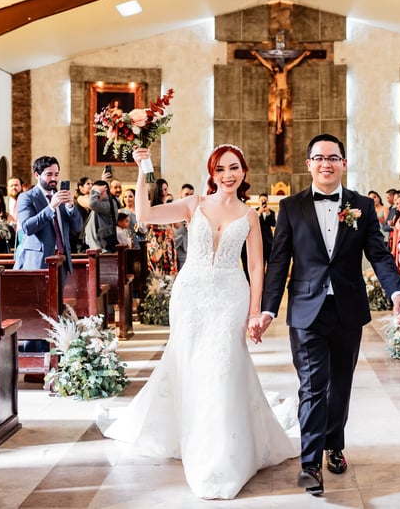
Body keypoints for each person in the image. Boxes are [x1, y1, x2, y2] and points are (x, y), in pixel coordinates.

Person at [101, 144, 296, 500]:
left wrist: (255, 312)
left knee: (224, 367)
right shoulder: (195, 205)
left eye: (234, 168)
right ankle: (190, 433)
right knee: (190, 366)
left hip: (230, 297)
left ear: (244, 171)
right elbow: (144, 214)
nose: (228, 175)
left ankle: (222, 455)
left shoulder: (250, 216)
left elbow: (256, 268)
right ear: (212, 172)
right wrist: (144, 167)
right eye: (221, 169)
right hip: (191, 296)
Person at [254, 134, 400, 496]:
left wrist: (396, 291)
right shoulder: (290, 207)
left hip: (347, 309)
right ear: (308, 164)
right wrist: (267, 309)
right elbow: (280, 263)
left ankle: (333, 444)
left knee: (340, 385)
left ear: (343, 163)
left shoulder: (362, 206)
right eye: (319, 157)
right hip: (306, 310)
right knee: (312, 387)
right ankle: (310, 464)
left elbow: (379, 255)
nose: (326, 163)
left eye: (333, 157)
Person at [14, 156, 83, 286]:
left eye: (56, 174)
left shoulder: (61, 197)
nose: (54, 179)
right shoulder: (27, 197)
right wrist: (51, 207)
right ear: (37, 175)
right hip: (39, 261)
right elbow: (28, 227)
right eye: (49, 174)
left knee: (57, 303)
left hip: (61, 259)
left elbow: (78, 227)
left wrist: (70, 206)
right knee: (39, 303)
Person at [252, 49, 311, 134]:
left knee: (283, 109)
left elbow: (295, 62)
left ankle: (280, 126)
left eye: (276, 68)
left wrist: (304, 55)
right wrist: (257, 55)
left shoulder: (285, 70)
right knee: (277, 109)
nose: (275, 70)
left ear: (278, 67)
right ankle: (278, 126)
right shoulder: (274, 71)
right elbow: (265, 63)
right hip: (278, 91)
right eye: (274, 69)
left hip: (284, 90)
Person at [84, 180, 119, 252]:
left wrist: (97, 191)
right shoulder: (102, 203)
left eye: (98, 193)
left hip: (102, 249)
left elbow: (92, 203)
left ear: (105, 191)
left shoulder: (108, 204)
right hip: (96, 248)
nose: (95, 195)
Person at [173, 183, 195, 270]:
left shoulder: (195, 207)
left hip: (187, 244)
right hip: (174, 241)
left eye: (191, 195)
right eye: (186, 194)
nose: (188, 197)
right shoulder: (174, 206)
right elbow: (175, 225)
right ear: (180, 194)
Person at [256, 192, 275, 267]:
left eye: (265, 200)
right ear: (259, 201)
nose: (263, 202)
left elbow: (273, 224)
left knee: (270, 263)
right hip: (258, 242)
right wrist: (259, 213)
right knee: (260, 264)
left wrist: (268, 213)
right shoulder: (254, 212)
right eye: (262, 200)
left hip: (269, 242)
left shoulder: (271, 212)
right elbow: (252, 223)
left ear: (268, 201)